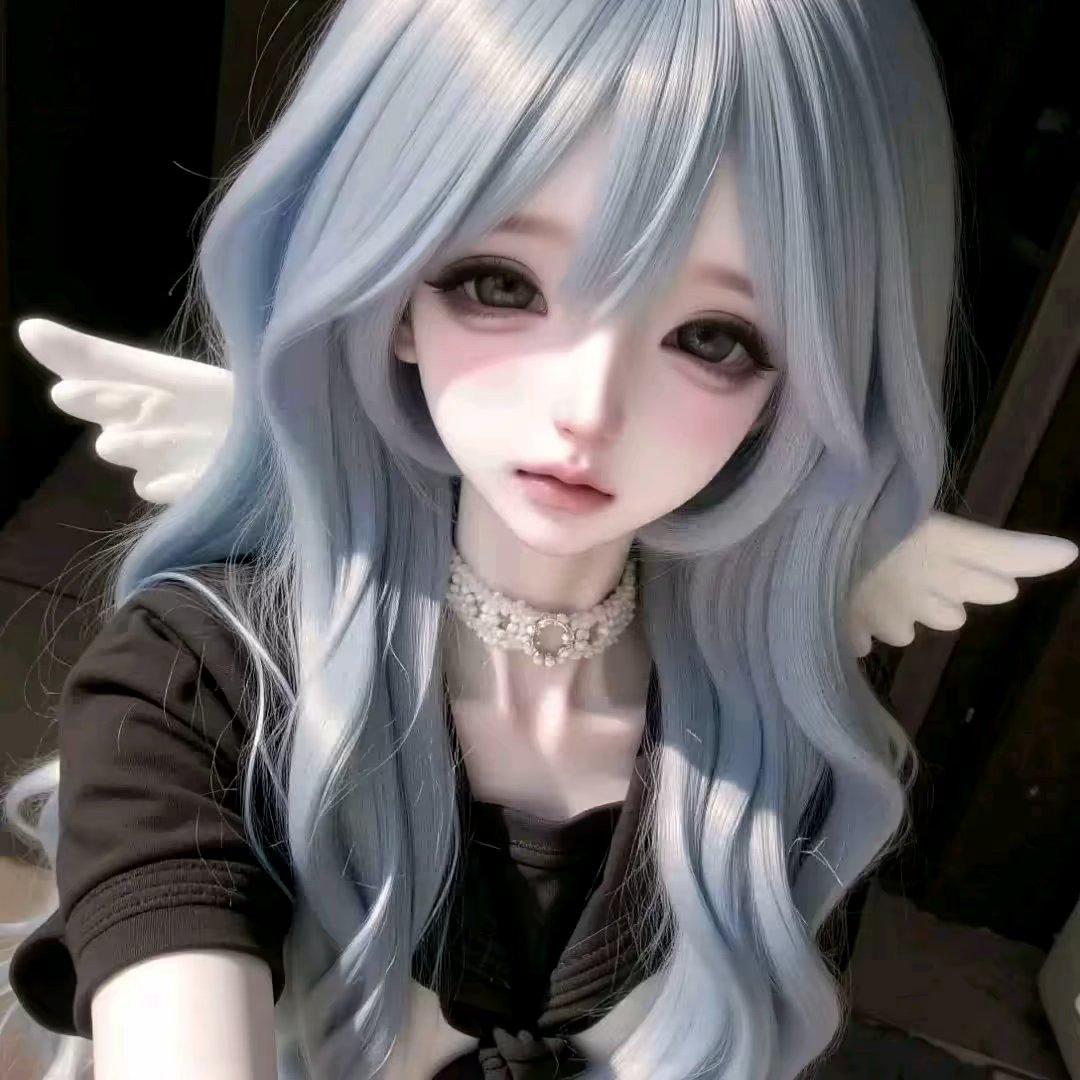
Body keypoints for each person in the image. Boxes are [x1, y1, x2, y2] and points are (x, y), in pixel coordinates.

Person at [1, 2, 1075, 1078]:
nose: (588, 409)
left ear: (802, 389)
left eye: (713, 338)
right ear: (392, 289)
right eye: (502, 284)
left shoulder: (787, 752)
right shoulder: (200, 690)